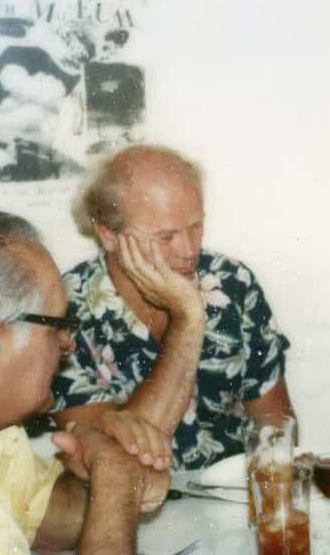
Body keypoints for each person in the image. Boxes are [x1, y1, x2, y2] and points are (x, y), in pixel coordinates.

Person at [51, 145, 295, 469]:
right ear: (108, 234)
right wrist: (188, 317)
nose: (188, 251)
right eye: (165, 237)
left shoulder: (231, 282)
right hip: (133, 511)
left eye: (196, 227)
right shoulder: (64, 312)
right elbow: (111, 465)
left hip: (233, 496)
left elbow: (275, 420)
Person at [0, 209, 170, 555]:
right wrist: (116, 479)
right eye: (54, 326)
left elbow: (51, 523)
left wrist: (108, 467)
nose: (68, 343)